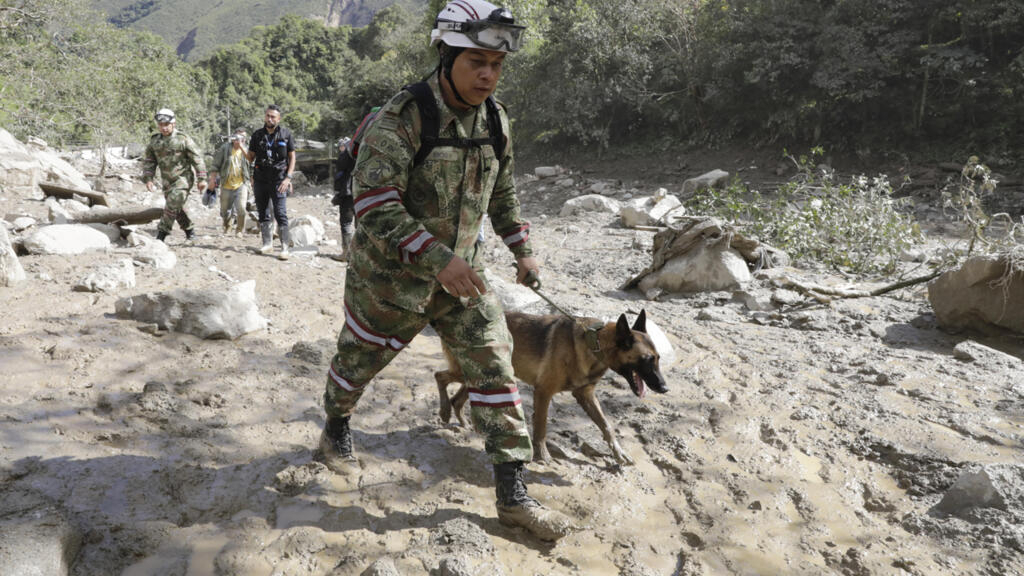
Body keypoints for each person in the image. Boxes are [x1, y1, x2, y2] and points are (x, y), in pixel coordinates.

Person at [317, 0, 574, 541]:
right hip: (390, 279)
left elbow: (500, 191)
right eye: (476, 60)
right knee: (357, 363)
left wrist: (521, 247)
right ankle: (336, 426)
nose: (488, 74)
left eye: (497, 64)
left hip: (464, 278)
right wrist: (438, 259)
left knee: (494, 365)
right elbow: (374, 201)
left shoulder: (497, 121)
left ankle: (513, 494)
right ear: (446, 54)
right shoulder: (402, 117)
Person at [142, 108, 208, 242]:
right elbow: (150, 161)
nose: (164, 128)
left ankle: (161, 235)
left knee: (172, 204)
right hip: (166, 181)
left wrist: (202, 179)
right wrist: (148, 179)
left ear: (173, 124)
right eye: (161, 125)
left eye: (166, 125)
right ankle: (190, 231)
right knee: (176, 207)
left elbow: (197, 159)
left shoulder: (183, 139)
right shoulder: (154, 141)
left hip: (183, 180)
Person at [245, 104, 296, 260]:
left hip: (279, 179)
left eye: (273, 116)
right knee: (263, 212)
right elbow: (251, 157)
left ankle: (285, 248)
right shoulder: (257, 135)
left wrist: (288, 178)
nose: (270, 118)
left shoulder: (286, 134)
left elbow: (292, 157)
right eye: (268, 115)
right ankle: (267, 244)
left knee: (280, 213)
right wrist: (241, 147)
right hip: (260, 179)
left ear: (278, 119)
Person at [209, 128, 252, 235]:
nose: (240, 139)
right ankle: (227, 227)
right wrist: (212, 180)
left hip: (241, 184)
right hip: (226, 184)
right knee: (224, 210)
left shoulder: (247, 150)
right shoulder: (225, 148)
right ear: (233, 138)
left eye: (243, 137)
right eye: (238, 137)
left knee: (241, 209)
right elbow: (215, 165)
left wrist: (252, 182)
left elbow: (252, 166)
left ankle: (239, 230)